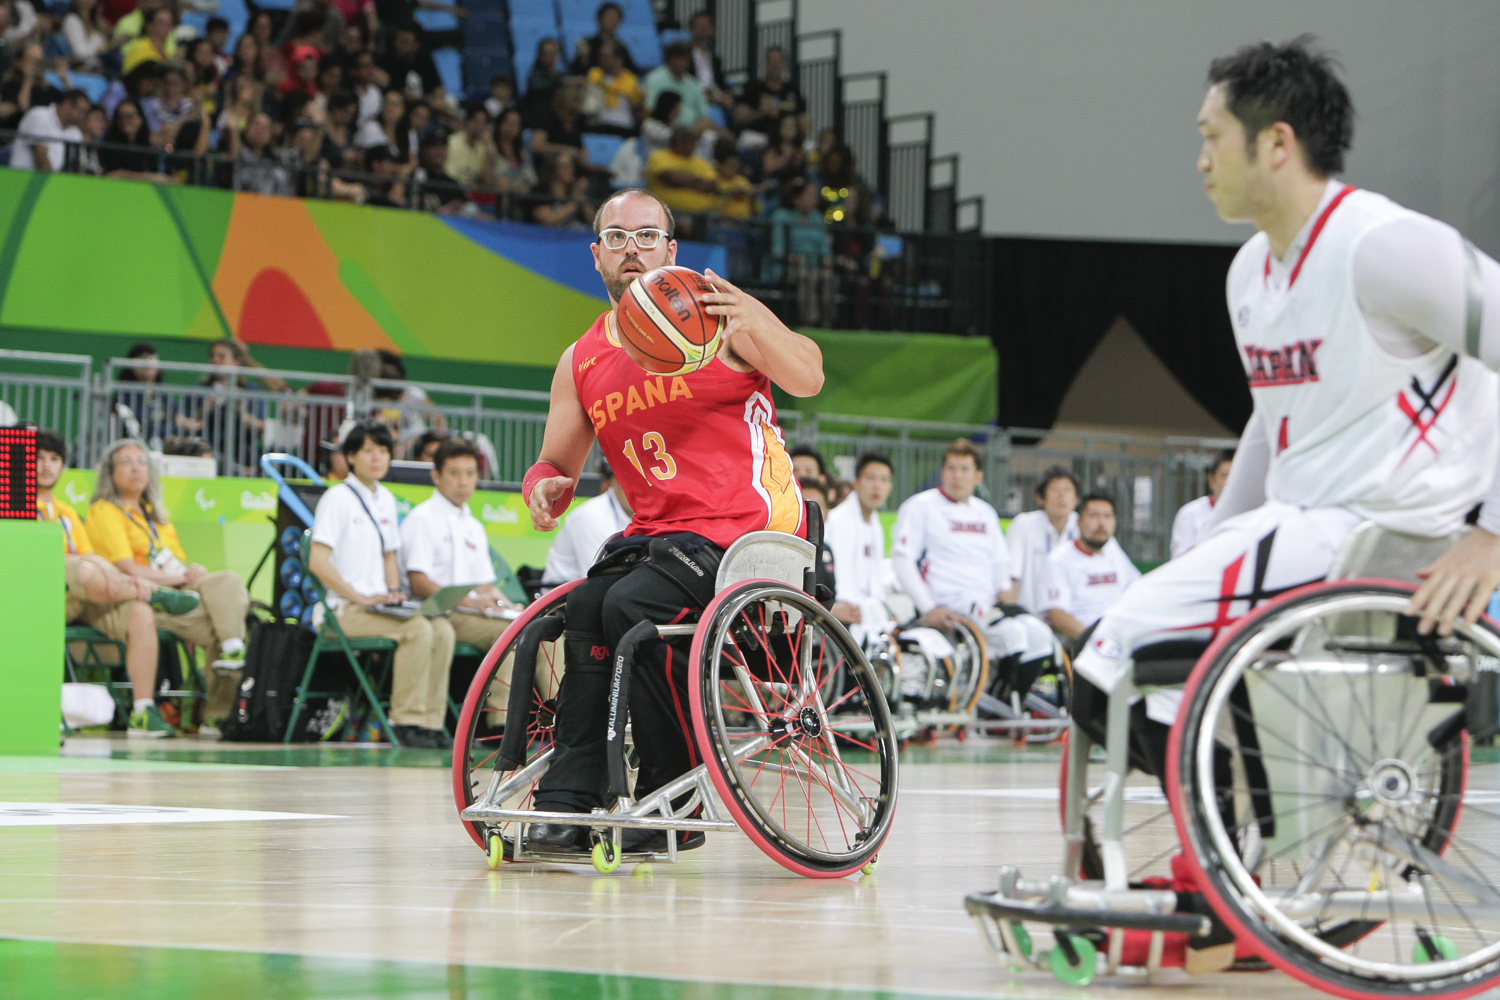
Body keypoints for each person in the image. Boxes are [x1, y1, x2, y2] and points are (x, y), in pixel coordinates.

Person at [1073, 38, 1500, 795]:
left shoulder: (1386, 247)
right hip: (1309, 529)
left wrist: (1492, 537)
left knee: (1111, 656)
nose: (1200, 158)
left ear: (1276, 142)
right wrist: (1203, 549)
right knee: (1111, 673)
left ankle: (1243, 826)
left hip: (1387, 531)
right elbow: (1272, 427)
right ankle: (1238, 844)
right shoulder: (1248, 273)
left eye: (1212, 137)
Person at [519, 186, 821, 852]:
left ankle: (674, 793)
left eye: (647, 235)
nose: (633, 248)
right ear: (596, 256)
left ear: (670, 248)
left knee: (631, 603)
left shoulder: (720, 315)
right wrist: (544, 487)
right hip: (660, 539)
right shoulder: (582, 358)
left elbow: (808, 377)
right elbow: (552, 463)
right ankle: (571, 797)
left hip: (749, 529)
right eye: (617, 238)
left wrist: (756, 318)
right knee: (591, 603)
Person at [36, 431, 199, 738]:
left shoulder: (68, 513)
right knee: (80, 568)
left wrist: (116, 576)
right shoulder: (15, 507)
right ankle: (150, 591)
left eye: (54, 459)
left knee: (138, 612)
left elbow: (92, 557)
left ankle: (142, 711)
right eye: (38, 458)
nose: (46, 466)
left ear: (62, 466)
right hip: (47, 596)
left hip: (88, 598)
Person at [85, 439, 252, 731]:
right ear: (110, 473)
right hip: (134, 597)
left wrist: (190, 573)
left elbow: (174, 562)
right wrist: (181, 577)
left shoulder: (156, 515)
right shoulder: (104, 510)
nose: (136, 468)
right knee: (223, 607)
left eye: (142, 461)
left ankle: (218, 708)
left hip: (175, 594)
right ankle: (232, 651)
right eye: (126, 462)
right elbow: (127, 567)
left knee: (223, 604)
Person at [307, 421, 456, 748]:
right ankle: (405, 721)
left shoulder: (386, 499)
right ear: (350, 456)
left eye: (384, 451)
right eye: (368, 451)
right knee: (417, 630)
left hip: (376, 607)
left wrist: (392, 593)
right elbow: (317, 562)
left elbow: (390, 556)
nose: (377, 458)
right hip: (342, 610)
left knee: (442, 628)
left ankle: (430, 724)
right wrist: (359, 596)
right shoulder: (337, 498)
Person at [399, 437, 520, 684]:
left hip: (469, 613)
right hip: (439, 614)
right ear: (436, 476)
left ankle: (560, 716)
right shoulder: (421, 518)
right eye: (454, 473)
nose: (463, 481)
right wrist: (470, 603)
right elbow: (419, 584)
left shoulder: (473, 525)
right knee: (511, 636)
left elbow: (485, 586)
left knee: (535, 630)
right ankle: (501, 721)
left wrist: (510, 608)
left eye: (470, 473)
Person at [891, 439, 1014, 632]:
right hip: (947, 609)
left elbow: (999, 560)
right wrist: (928, 608)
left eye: (965, 469)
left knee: (1034, 634)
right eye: (951, 468)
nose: (957, 476)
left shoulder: (986, 512)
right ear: (942, 473)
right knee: (1014, 636)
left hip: (988, 607)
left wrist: (1004, 589)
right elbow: (902, 560)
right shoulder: (919, 506)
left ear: (978, 476)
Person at [1041, 494, 1140, 642]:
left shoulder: (1113, 550)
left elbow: (1137, 589)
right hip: (1083, 644)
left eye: (1108, 516)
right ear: (1078, 521)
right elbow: (1058, 616)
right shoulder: (1059, 560)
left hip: (1122, 638)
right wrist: (1095, 641)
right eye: (1093, 516)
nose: (1101, 523)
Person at [824, 451, 893, 639]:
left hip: (866, 607)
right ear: (856, 483)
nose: (877, 486)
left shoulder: (874, 522)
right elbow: (838, 576)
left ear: (890, 486)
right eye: (870, 478)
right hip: (843, 608)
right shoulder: (839, 520)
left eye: (884, 480)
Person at [540, 457, 632, 588]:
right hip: (562, 603)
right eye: (632, 482)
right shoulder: (591, 516)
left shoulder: (639, 514)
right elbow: (601, 579)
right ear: (614, 482)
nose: (640, 489)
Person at [1005, 466, 1080, 615]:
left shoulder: (1084, 527)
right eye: (1055, 490)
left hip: (1073, 619)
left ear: (1076, 499)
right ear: (1040, 498)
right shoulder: (1022, 525)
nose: (1061, 495)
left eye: (1067, 490)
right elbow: (1011, 578)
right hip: (1030, 619)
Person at [1169, 449, 1235, 559]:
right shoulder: (1189, 514)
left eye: (1235, 475)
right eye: (1224, 475)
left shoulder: (1252, 513)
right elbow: (1180, 561)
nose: (1229, 481)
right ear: (1212, 480)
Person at [644, 124, 717, 220]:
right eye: (691, 141)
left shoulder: (701, 162)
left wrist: (683, 180)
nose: (694, 145)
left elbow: (712, 185)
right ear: (679, 141)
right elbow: (670, 178)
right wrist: (697, 181)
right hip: (669, 212)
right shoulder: (659, 156)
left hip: (703, 214)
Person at [641, 40, 711, 136]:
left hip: (691, 132)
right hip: (664, 131)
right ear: (670, 59)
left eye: (686, 59)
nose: (683, 63)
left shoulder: (694, 83)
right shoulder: (654, 79)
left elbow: (703, 117)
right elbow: (649, 112)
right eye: (679, 58)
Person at [9, 87, 87, 171]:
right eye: (80, 111)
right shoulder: (39, 115)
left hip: (54, 180)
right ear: (67, 104)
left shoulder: (75, 132)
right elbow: (41, 158)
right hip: (23, 178)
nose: (82, 116)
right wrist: (57, 182)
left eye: (84, 113)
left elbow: (78, 166)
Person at [583, 39, 640, 135]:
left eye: (605, 57)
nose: (600, 59)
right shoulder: (594, 74)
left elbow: (636, 110)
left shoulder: (630, 80)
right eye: (600, 55)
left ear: (619, 60)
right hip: (598, 126)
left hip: (624, 127)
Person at [568, 1, 637, 77]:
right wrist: (583, 58)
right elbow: (577, 71)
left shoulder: (621, 47)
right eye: (609, 16)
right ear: (599, 19)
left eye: (615, 17)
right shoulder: (588, 44)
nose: (612, 20)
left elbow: (633, 72)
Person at [445, 103, 493, 188]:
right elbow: (449, 174)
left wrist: (489, 147)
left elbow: (487, 182)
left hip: (473, 193)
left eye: (483, 123)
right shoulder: (452, 141)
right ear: (467, 122)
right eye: (476, 121)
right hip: (453, 188)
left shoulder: (483, 148)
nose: (479, 126)